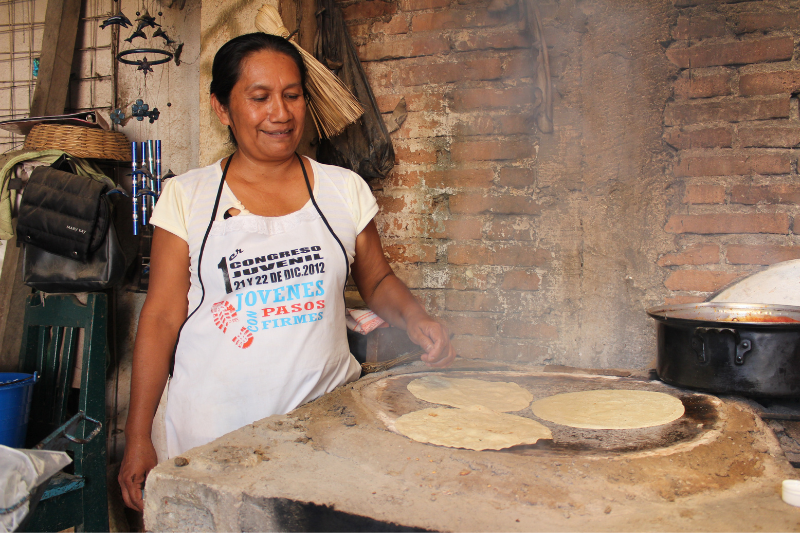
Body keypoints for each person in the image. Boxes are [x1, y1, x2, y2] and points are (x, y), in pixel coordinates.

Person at [118, 32, 456, 512]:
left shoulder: (343, 190)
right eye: (259, 97)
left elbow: (377, 280)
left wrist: (416, 318)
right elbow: (160, 318)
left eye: (292, 95)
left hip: (323, 431)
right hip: (211, 435)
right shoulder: (187, 197)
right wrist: (136, 436)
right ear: (222, 108)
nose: (280, 113)